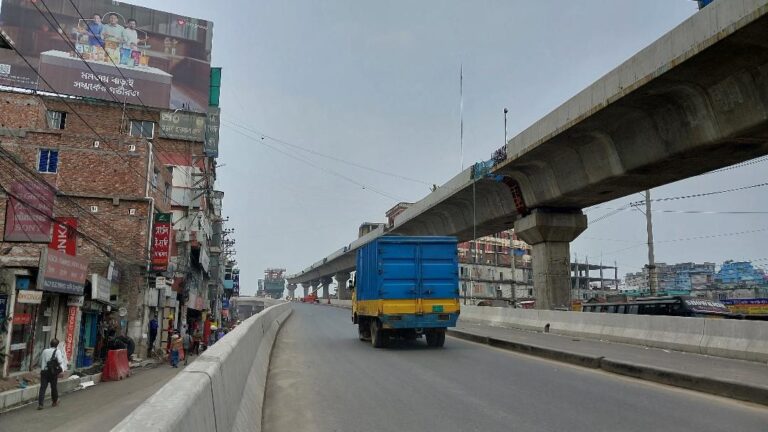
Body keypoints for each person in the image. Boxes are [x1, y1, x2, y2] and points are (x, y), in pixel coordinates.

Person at [38, 339, 67, 410]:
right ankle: (54, 401)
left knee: (42, 388)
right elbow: (60, 361)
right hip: (52, 372)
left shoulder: (45, 351)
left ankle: (40, 404)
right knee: (53, 387)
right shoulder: (57, 351)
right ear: (57, 345)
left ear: (50, 344)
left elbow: (40, 361)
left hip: (44, 372)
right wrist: (62, 370)